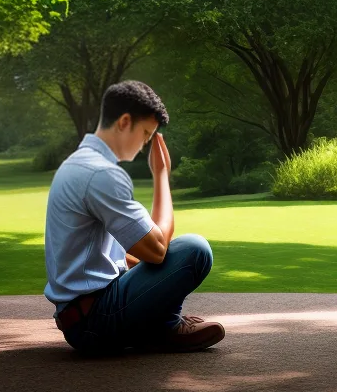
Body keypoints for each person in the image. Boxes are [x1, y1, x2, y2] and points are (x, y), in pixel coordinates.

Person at [44, 79, 225, 354]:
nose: (144, 145)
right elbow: (158, 249)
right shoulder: (101, 174)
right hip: (94, 321)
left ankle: (159, 321)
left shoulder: (78, 164)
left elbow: (120, 255)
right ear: (125, 122)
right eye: (145, 134)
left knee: (141, 258)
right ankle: (165, 326)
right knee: (195, 249)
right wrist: (161, 174)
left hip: (80, 317)